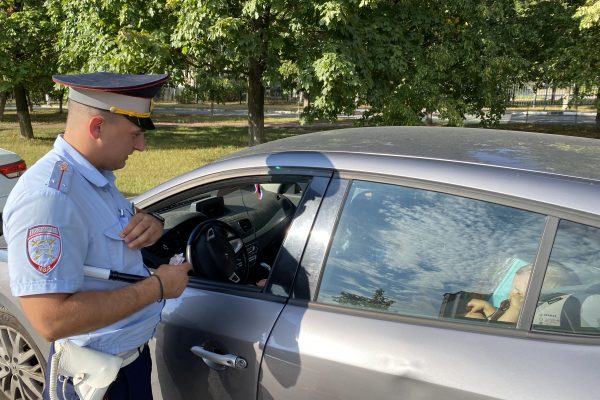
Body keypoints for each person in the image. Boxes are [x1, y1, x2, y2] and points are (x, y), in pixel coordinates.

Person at [2, 72, 192, 400]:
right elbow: (51, 319)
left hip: (124, 365)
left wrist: (152, 223)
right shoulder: (49, 198)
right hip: (96, 382)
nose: (141, 146)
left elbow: (107, 240)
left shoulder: (93, 178)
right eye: (134, 134)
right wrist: (159, 287)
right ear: (97, 128)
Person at [464, 262, 580, 323]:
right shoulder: (515, 305)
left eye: (518, 291)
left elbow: (503, 329)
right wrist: (487, 308)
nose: (512, 292)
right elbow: (500, 319)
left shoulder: (523, 312)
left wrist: (515, 309)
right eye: (513, 287)